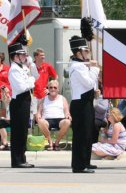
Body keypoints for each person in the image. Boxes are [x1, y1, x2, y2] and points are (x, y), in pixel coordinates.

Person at [68, 35, 100, 173]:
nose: (88, 54)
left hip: (86, 102)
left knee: (88, 134)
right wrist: (95, 69)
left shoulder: (82, 65)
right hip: (80, 105)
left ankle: (86, 161)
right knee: (81, 135)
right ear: (78, 53)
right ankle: (79, 165)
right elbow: (88, 83)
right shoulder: (78, 67)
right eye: (85, 51)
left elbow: (89, 85)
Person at [7, 39, 36, 168]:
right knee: (18, 132)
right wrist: (31, 81)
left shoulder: (23, 68)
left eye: (25, 54)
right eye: (22, 54)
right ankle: (17, 160)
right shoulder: (14, 70)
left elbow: (36, 76)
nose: (25, 56)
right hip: (18, 101)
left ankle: (22, 158)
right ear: (15, 56)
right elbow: (21, 87)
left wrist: (32, 71)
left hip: (25, 100)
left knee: (23, 131)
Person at [36, 79, 71, 151]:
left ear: (58, 89)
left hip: (60, 120)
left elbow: (67, 111)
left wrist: (68, 115)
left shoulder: (62, 98)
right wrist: (38, 115)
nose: (53, 89)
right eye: (51, 87)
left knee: (67, 122)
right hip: (47, 120)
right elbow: (39, 111)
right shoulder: (44, 99)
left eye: (55, 87)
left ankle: (57, 142)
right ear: (48, 88)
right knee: (40, 121)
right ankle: (50, 141)